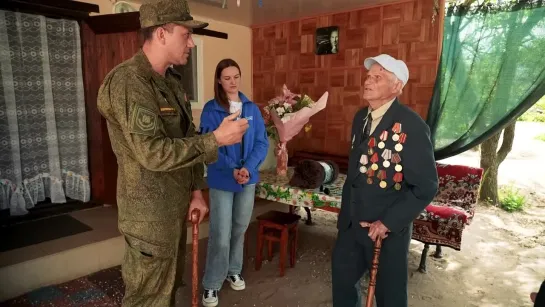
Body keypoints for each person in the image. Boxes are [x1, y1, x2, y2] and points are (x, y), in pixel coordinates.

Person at [96, 0, 249, 306]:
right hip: (148, 221)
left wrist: (195, 191)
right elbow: (153, 153)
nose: (192, 42)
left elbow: (186, 138)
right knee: (148, 299)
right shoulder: (129, 82)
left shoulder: (171, 84)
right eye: (186, 34)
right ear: (162, 34)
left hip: (173, 210)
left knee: (167, 292)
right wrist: (216, 140)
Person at [331, 54, 439, 307]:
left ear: (396, 87)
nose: (368, 81)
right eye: (368, 76)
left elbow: (426, 186)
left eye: (377, 77)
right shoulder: (361, 117)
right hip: (351, 224)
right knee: (343, 286)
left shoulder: (411, 125)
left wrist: (388, 222)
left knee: (389, 296)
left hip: (384, 230)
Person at [199, 59, 269, 307]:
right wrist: (233, 169)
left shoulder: (252, 108)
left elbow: (262, 142)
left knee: (239, 227)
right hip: (222, 178)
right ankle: (211, 283)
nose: (232, 82)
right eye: (227, 77)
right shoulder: (211, 109)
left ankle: (233, 270)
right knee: (220, 232)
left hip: (247, 178)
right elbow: (209, 147)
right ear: (219, 80)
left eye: (236, 76)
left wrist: (247, 169)